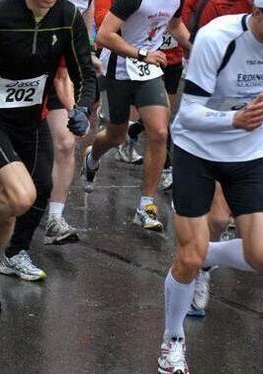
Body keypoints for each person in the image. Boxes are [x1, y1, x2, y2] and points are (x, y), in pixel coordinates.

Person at [0, 0, 96, 310]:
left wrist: (83, 108)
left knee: (33, 193)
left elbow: (84, 70)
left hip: (31, 121)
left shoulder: (67, 16)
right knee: (19, 196)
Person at [158, 5, 263, 372]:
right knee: (187, 257)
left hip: (249, 154)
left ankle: (211, 255)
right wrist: (233, 119)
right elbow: (188, 113)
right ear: (260, 12)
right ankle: (172, 340)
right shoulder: (217, 38)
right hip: (198, 150)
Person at [84, 0, 191, 231]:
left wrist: (199, 49)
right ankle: (92, 158)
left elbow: (175, 25)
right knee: (116, 136)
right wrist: (142, 53)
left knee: (160, 132)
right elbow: (103, 35)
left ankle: (145, 206)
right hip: (118, 68)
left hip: (149, 70)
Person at [44, 0, 102, 245]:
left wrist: (85, 52)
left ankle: (55, 219)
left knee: (66, 144)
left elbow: (86, 14)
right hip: (25, 68)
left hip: (61, 66)